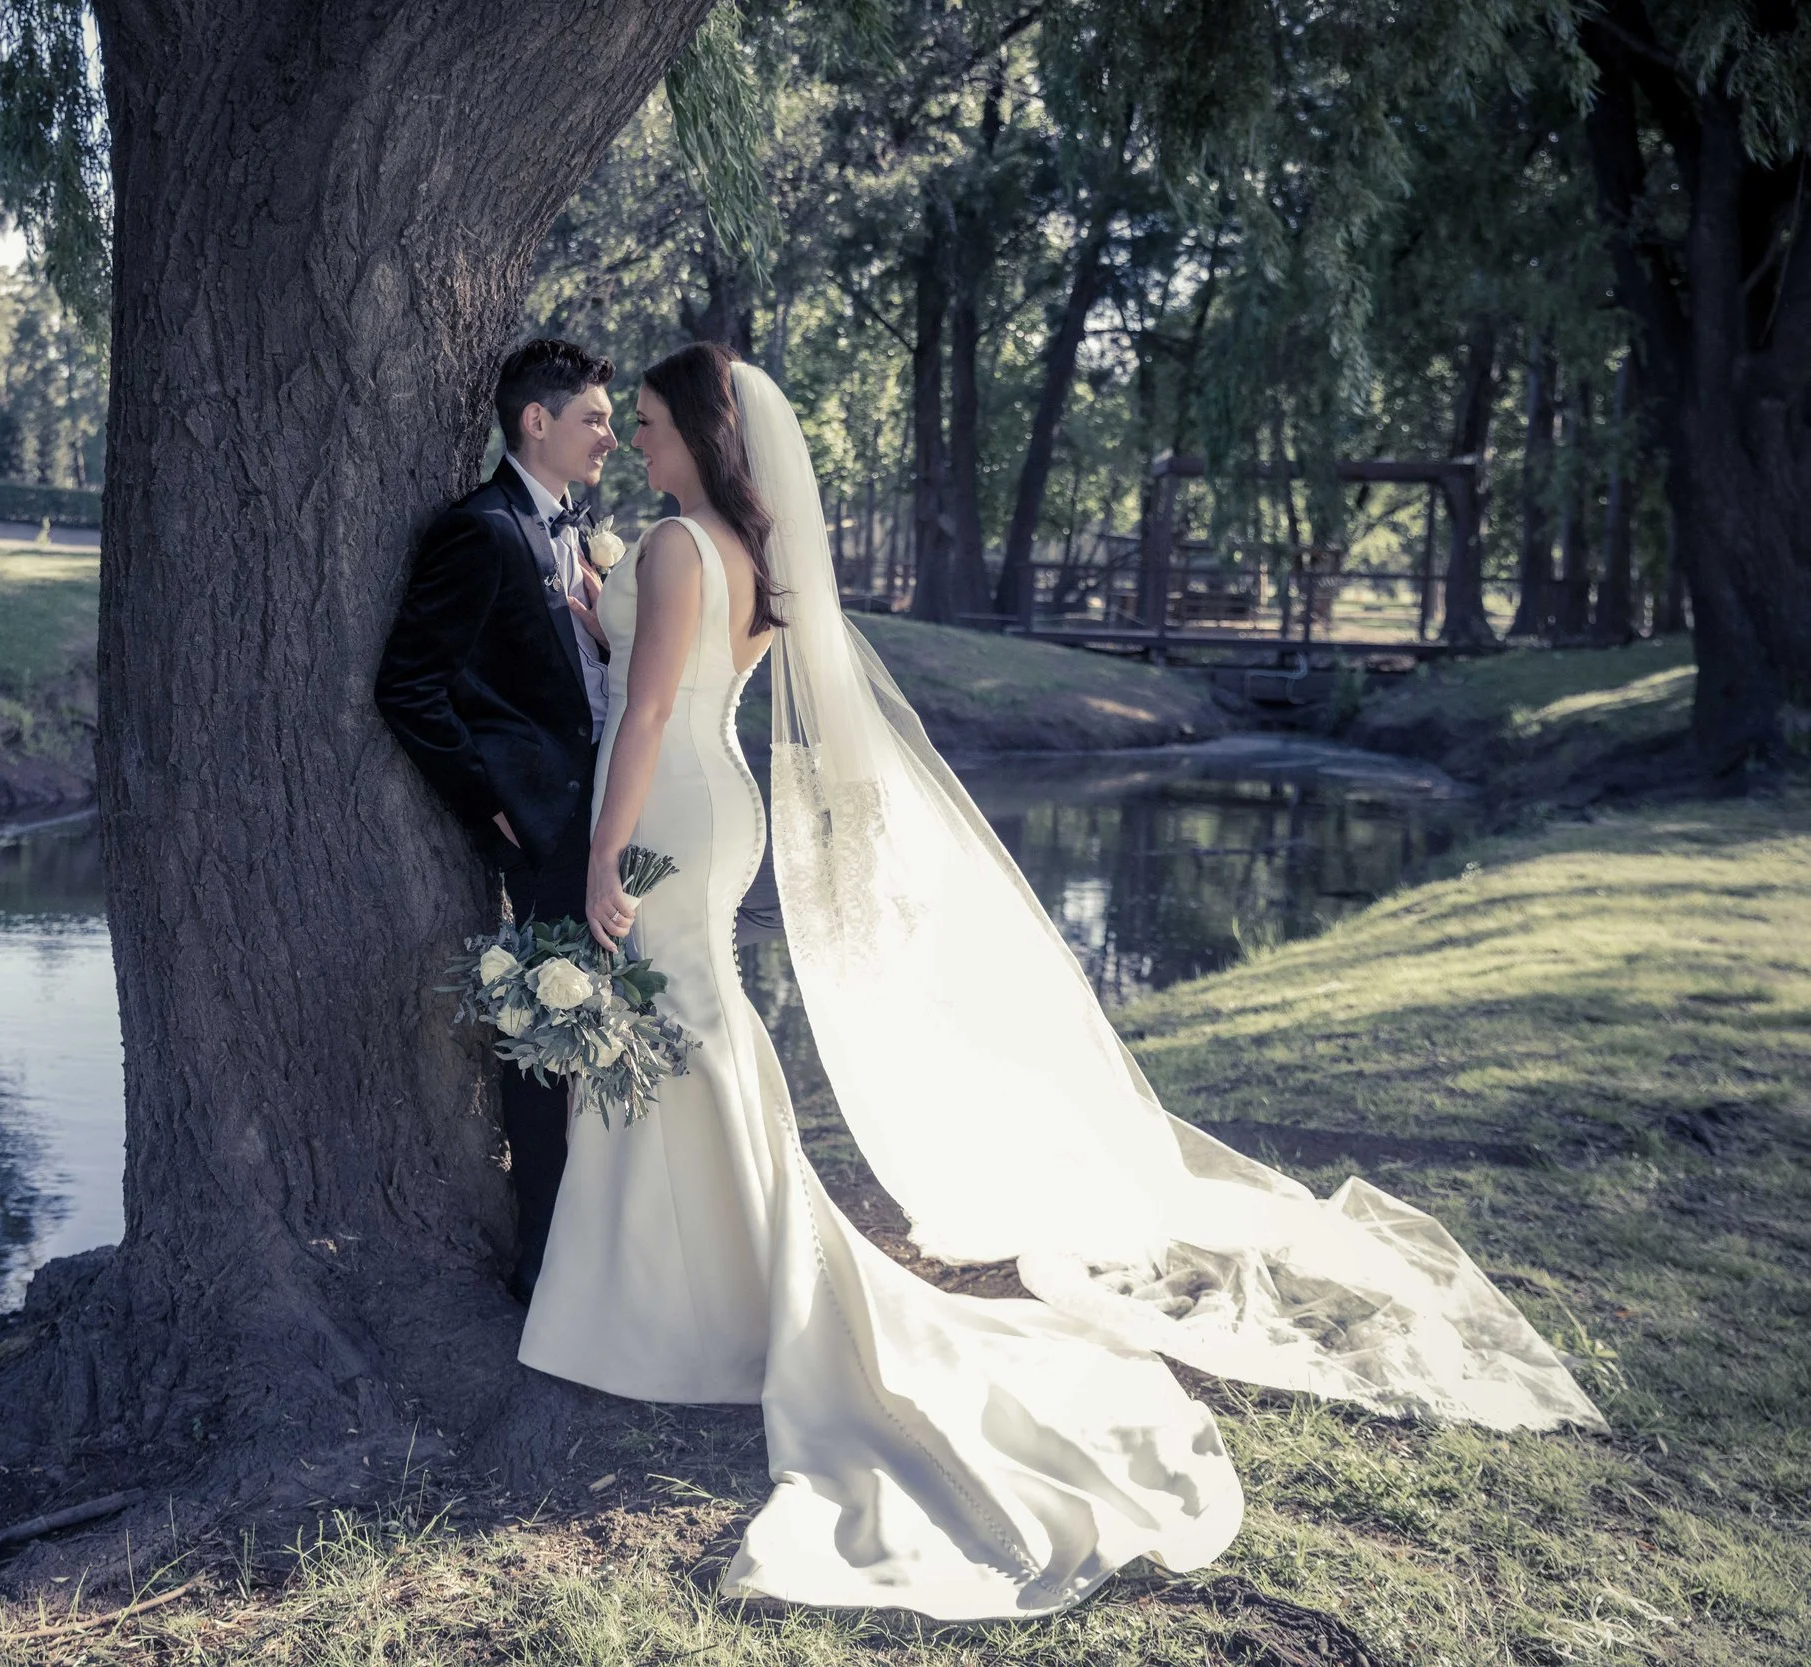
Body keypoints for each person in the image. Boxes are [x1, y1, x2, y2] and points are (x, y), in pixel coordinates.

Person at [518, 342, 1606, 1621]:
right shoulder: (747, 552)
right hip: (723, 802)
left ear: (705, 434)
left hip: (664, 803)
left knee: (680, 1030)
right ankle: (701, 1282)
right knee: (695, 1030)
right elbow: (685, 680)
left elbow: (648, 713)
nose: (637, 442)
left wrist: (603, 853)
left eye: (651, 423)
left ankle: (670, 1301)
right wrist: (598, 616)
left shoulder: (671, 545)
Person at [376, 337, 618, 1303]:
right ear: (536, 421)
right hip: (545, 825)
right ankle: (544, 1261)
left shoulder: (575, 527)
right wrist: (491, 800)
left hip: (612, 810)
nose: (609, 437)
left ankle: (611, 1235)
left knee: (610, 1021)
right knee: (549, 1029)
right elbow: (408, 684)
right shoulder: (480, 530)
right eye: (594, 419)